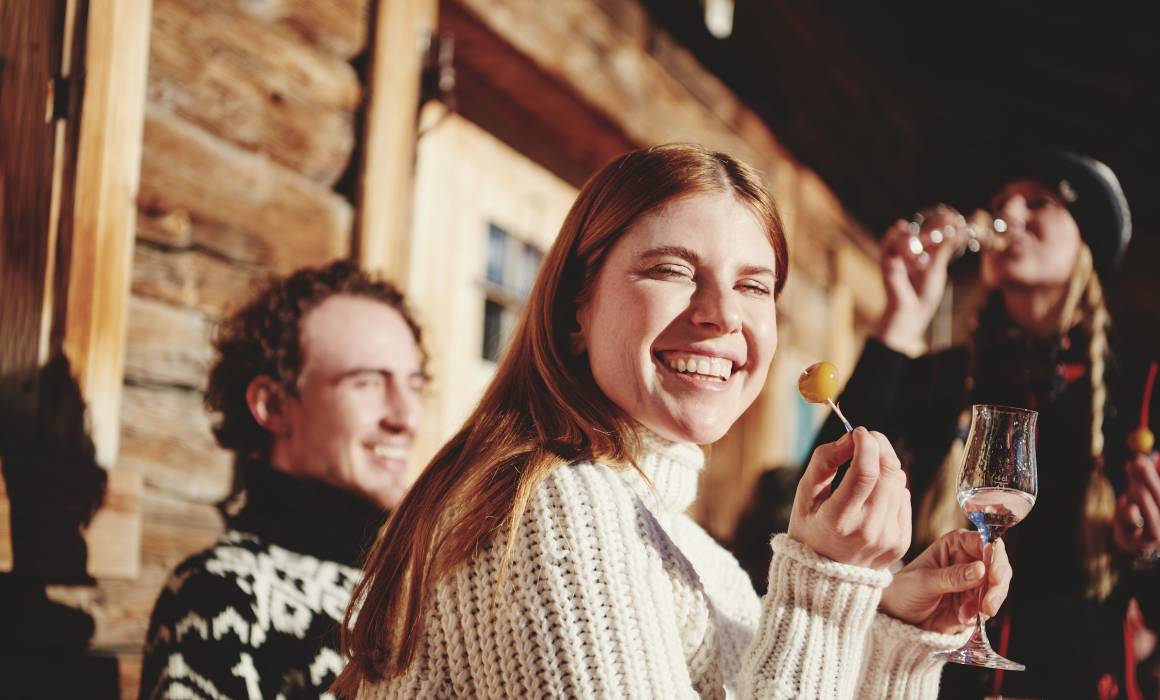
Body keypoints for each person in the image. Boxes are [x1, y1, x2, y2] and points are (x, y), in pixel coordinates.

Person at [332, 144, 1013, 699]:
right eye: (671, 269)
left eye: (753, 285)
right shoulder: (558, 510)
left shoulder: (691, 553)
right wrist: (820, 588)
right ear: (578, 311)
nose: (722, 312)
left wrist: (891, 631)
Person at [810, 149, 1160, 699]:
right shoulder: (941, 377)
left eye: (1038, 203)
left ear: (1086, 241)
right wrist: (905, 314)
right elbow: (827, 492)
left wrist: (1149, 555)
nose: (1008, 215)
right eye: (999, 203)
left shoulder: (1142, 387)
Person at [138, 260, 428, 700]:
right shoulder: (220, 593)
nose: (406, 417)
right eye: (367, 383)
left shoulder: (415, 589)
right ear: (273, 405)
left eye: (415, 384)